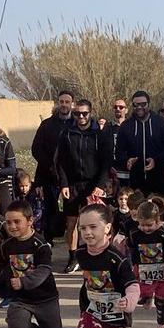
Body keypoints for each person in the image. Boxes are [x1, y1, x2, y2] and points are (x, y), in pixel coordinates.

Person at [74, 204, 140, 328]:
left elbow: (132, 284)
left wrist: (129, 301)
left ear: (108, 228)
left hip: (116, 313)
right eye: (82, 228)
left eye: (93, 227)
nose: (87, 233)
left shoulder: (117, 258)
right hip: (93, 309)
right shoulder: (81, 253)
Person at [0, 200, 68, 328]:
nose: (12, 226)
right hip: (21, 298)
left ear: (30, 221)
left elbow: (43, 271)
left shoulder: (40, 244)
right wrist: (0, 280)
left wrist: (23, 282)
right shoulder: (7, 246)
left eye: (17, 222)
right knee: (15, 324)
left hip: (45, 298)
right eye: (8, 222)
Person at [56, 99, 113, 273]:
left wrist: (101, 184)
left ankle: (99, 255)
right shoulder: (67, 133)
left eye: (84, 113)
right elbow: (60, 162)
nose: (81, 116)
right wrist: (64, 184)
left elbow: (106, 161)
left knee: (96, 222)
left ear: (90, 113)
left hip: (93, 184)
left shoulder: (99, 134)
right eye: (77, 113)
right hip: (73, 185)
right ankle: (73, 257)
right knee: (72, 222)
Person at [126, 199, 164, 328]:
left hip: (163, 271)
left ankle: (163, 324)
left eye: (149, 225)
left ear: (157, 221)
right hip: (143, 270)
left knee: (161, 299)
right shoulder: (134, 235)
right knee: (141, 292)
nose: (145, 228)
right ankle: (147, 296)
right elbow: (129, 248)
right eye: (142, 225)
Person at [31, 90, 75, 242]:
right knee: (49, 210)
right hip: (49, 176)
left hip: (71, 178)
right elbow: (36, 149)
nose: (64, 105)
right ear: (58, 103)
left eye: (67, 102)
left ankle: (70, 245)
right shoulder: (47, 125)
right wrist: (50, 165)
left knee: (71, 213)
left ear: (72, 104)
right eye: (61, 102)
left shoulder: (76, 124)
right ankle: (48, 243)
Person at [115, 90, 164, 195]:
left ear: (148, 104)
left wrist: (156, 160)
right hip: (135, 180)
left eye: (143, 104)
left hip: (159, 178)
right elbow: (119, 152)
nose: (139, 107)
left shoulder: (161, 123)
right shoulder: (126, 126)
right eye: (136, 105)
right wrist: (127, 160)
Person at [15, 169, 44, 235]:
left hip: (36, 220)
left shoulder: (35, 195)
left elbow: (39, 211)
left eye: (26, 186)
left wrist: (32, 220)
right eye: (21, 186)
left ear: (30, 185)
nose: (24, 188)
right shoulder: (18, 196)